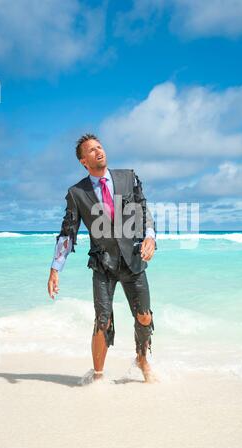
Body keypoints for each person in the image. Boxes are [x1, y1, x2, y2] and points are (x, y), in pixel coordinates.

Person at [47, 134, 157, 383]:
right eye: (91, 150)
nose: (98, 151)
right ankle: (97, 377)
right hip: (103, 264)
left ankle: (142, 360)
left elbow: (143, 211)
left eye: (100, 147)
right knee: (103, 320)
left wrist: (150, 237)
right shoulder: (77, 193)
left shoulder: (128, 178)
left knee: (144, 316)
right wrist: (55, 268)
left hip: (133, 260)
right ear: (83, 161)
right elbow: (68, 232)